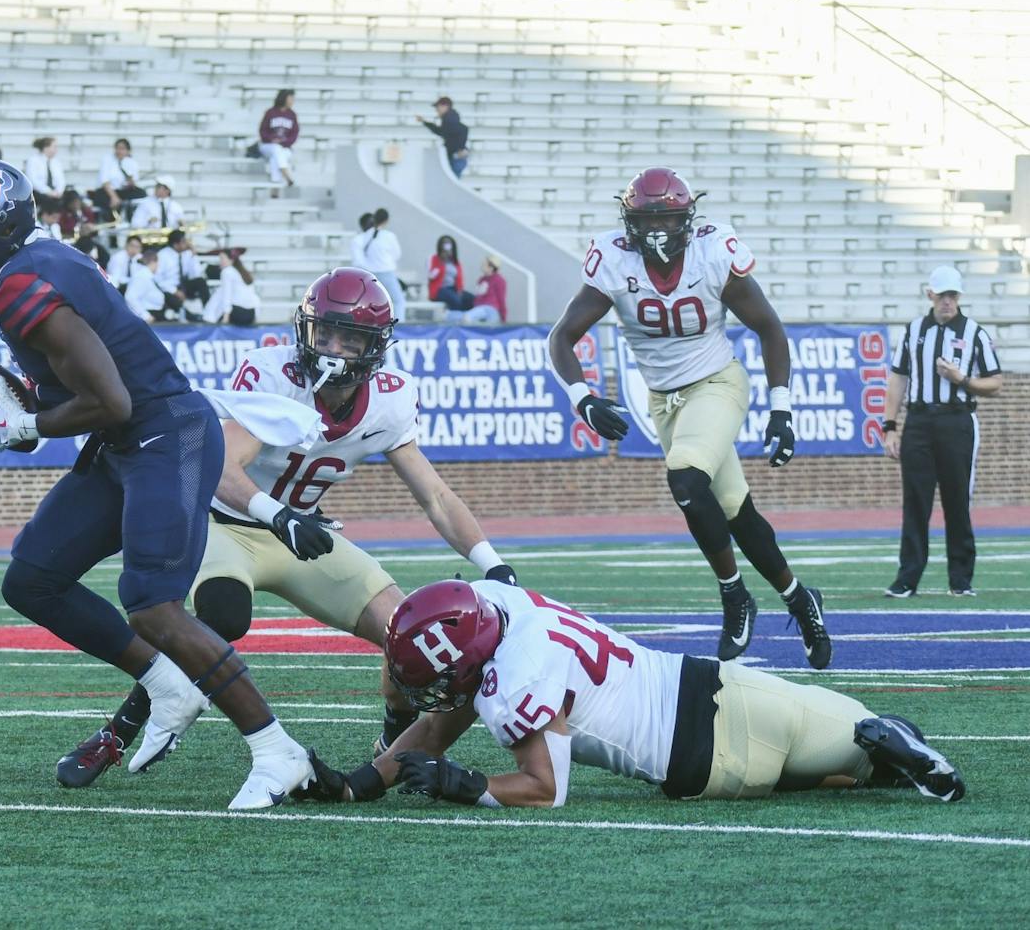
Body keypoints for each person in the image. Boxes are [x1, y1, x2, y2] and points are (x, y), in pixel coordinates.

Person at [0, 157, 318, 809]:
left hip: (164, 432)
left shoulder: (19, 285)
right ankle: (167, 684)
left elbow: (112, 400)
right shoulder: (38, 261)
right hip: (130, 442)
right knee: (33, 578)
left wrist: (30, 426)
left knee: (154, 604)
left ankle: (278, 750)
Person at [58, 268, 520, 788]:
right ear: (305, 329)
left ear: (376, 345)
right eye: (325, 333)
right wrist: (278, 516)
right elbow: (223, 467)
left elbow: (435, 495)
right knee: (222, 616)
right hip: (224, 525)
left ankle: (393, 736)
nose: (333, 348)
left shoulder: (391, 400)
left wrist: (492, 563)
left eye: (349, 337)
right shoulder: (273, 373)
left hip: (303, 535)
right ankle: (119, 731)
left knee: (407, 633)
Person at [292, 579, 965, 809]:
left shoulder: (510, 680)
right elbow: (439, 726)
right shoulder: (497, 606)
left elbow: (546, 790)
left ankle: (891, 758)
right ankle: (900, 755)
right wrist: (358, 784)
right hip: (712, 691)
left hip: (704, 764)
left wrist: (463, 785)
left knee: (840, 767)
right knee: (855, 738)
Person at [547, 167, 830, 669]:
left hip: (718, 383)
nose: (657, 231)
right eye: (647, 220)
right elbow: (562, 336)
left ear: (687, 219)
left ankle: (734, 595)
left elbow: (769, 328)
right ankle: (798, 597)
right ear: (629, 221)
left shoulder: (712, 250)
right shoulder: (612, 258)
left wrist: (781, 408)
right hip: (665, 402)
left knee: (684, 478)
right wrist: (582, 398)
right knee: (733, 509)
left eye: (668, 219)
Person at [882, 265, 1003, 598]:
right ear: (930, 294)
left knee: (956, 501)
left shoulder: (975, 332)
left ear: (959, 296)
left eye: (953, 295)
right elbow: (897, 380)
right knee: (916, 501)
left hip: (956, 421)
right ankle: (907, 578)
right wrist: (889, 426)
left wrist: (961, 379)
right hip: (919, 422)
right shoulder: (914, 331)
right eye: (942, 294)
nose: (948, 301)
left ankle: (960, 579)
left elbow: (995, 382)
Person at [358, 208, 405, 318]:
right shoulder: (389, 236)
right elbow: (397, 254)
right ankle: (399, 328)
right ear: (387, 220)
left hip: (370, 274)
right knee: (398, 301)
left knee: (373, 302)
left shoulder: (365, 236)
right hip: (386, 273)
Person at [91, 137, 145, 221]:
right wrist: (113, 196)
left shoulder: (132, 162)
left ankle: (133, 219)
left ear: (128, 151)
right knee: (110, 202)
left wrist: (131, 182)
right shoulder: (107, 159)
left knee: (141, 193)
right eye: (117, 148)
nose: (119, 151)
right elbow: (105, 181)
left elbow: (133, 181)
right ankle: (112, 224)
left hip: (122, 190)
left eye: (122, 149)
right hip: (107, 191)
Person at [201, 251, 260, 326]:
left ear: (231, 260)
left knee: (220, 297)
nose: (220, 261)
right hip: (251, 313)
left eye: (222, 259)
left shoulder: (227, 271)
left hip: (239, 313)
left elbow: (227, 295)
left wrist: (226, 318)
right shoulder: (243, 272)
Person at [159, 229, 207, 318]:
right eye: (184, 241)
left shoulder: (187, 253)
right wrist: (174, 291)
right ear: (176, 244)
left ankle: (207, 311)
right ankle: (189, 316)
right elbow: (158, 280)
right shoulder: (162, 255)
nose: (187, 243)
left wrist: (193, 255)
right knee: (167, 296)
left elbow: (196, 274)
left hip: (183, 285)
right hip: (168, 288)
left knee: (201, 281)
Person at [257, 89, 299, 189]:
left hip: (285, 147)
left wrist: (284, 142)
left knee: (275, 158)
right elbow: (262, 131)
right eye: (291, 98)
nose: (293, 101)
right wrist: (272, 139)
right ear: (284, 98)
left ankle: (275, 188)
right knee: (276, 149)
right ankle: (287, 174)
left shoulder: (292, 115)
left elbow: (294, 134)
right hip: (268, 145)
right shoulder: (270, 113)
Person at [417, 96, 469, 178]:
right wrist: (425, 122)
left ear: (445, 106)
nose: (437, 110)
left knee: (451, 183)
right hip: (455, 156)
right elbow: (442, 132)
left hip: (455, 156)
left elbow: (463, 129)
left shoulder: (449, 119)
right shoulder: (450, 118)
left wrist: (460, 148)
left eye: (438, 107)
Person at [427, 235, 474, 311]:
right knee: (455, 300)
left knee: (471, 299)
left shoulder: (455, 262)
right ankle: (456, 317)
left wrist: (459, 290)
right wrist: (441, 262)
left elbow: (460, 278)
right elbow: (431, 276)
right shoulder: (433, 258)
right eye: (445, 244)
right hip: (439, 289)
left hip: (453, 288)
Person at [123, 247, 168, 323]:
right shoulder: (141, 276)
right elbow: (130, 297)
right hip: (148, 316)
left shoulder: (149, 276)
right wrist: (145, 315)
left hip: (155, 314)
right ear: (153, 262)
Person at [461, 256, 508, 323]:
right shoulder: (481, 279)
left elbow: (501, 299)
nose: (482, 265)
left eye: (484, 264)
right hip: (479, 309)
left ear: (491, 267)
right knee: (465, 317)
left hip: (490, 309)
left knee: (468, 316)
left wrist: (503, 317)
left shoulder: (499, 280)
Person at [25, 136, 66, 208]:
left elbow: (61, 180)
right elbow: (33, 180)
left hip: (55, 192)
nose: (56, 150)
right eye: (54, 147)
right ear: (46, 148)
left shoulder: (56, 162)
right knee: (48, 201)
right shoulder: (33, 160)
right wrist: (48, 192)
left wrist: (59, 191)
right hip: (40, 192)